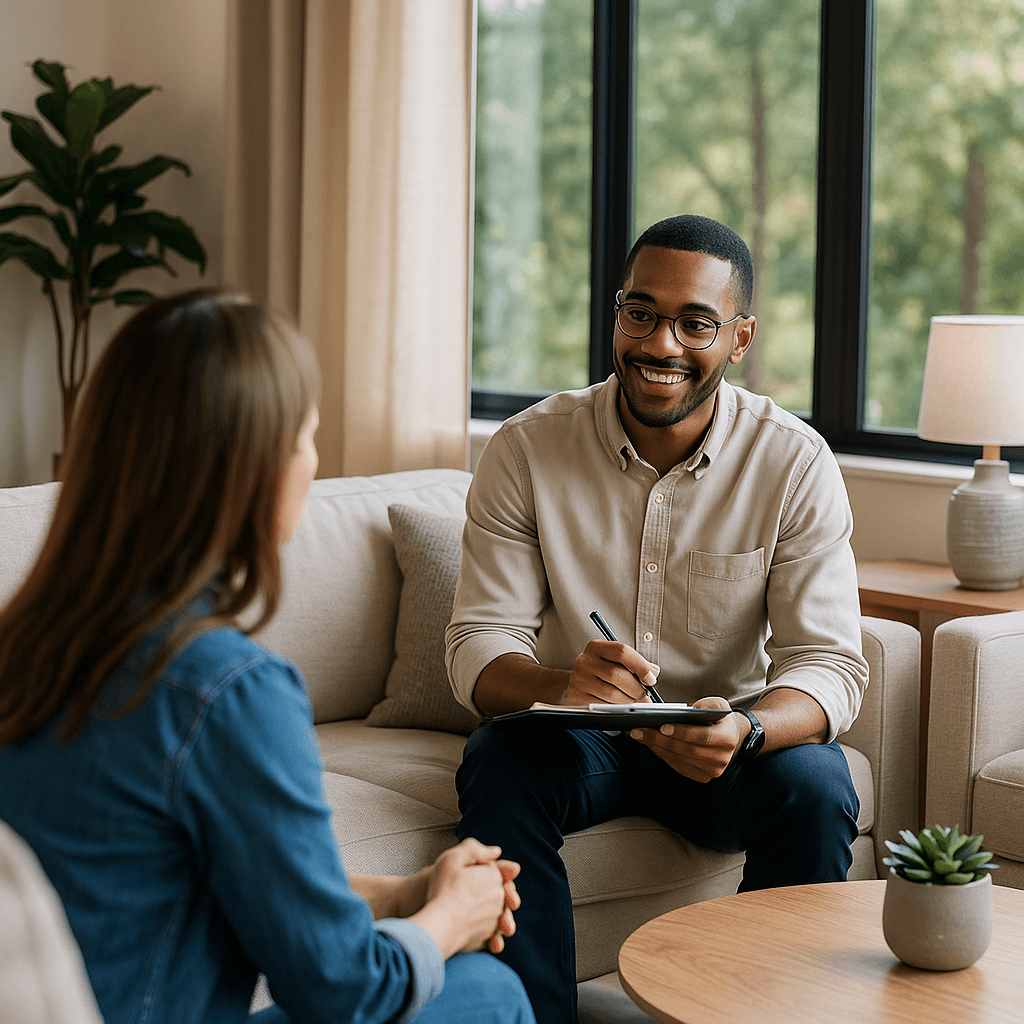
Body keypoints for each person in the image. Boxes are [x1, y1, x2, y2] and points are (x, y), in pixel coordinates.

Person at [0, 289, 535, 1024]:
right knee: (487, 991)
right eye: (308, 439)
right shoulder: (222, 689)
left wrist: (412, 895)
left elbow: (179, 884)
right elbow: (344, 991)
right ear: (257, 469)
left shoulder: (25, 640)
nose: (313, 465)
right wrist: (449, 922)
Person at [445, 215, 870, 1024]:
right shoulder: (527, 448)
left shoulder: (793, 461)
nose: (661, 344)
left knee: (818, 780)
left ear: (739, 337)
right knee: (498, 756)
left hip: (729, 745)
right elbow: (477, 645)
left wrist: (744, 730)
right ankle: (529, 1017)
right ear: (616, 314)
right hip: (586, 740)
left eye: (695, 323)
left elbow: (831, 667)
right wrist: (562, 684)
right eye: (639, 313)